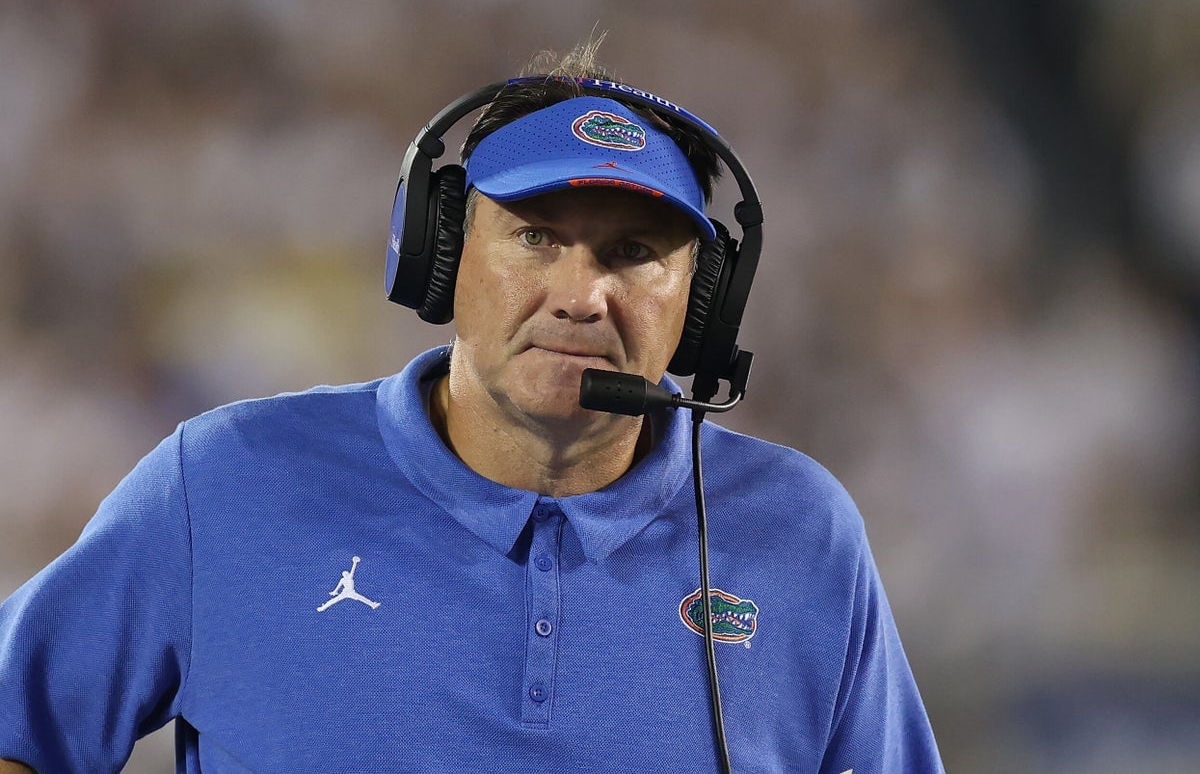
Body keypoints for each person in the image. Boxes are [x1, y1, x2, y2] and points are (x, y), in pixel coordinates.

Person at [0, 41, 943, 773]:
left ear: (703, 302)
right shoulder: (228, 479)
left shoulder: (799, 533)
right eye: (535, 237)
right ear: (441, 254)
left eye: (632, 252)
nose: (581, 296)